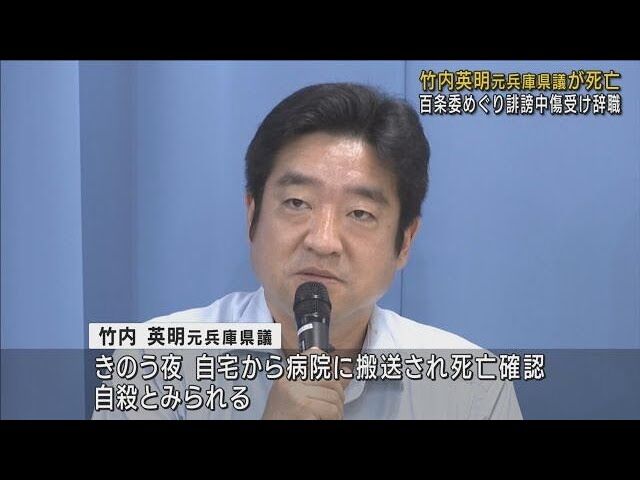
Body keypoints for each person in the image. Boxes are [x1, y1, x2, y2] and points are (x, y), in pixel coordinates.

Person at [93, 82, 522, 420]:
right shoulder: (157, 363)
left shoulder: (470, 386)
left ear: (404, 241)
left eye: (359, 213)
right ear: (252, 215)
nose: (323, 240)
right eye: (297, 203)